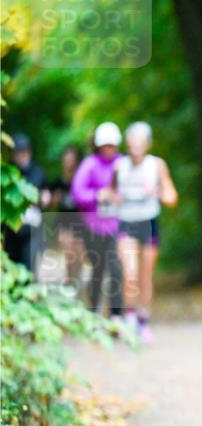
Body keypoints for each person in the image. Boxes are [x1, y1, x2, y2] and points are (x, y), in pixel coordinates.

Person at [113, 121, 178, 342]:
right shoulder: (119, 166)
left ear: (148, 144)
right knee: (129, 273)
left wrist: (157, 191)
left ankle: (143, 320)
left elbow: (171, 198)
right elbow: (109, 194)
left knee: (145, 276)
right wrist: (114, 198)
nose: (135, 146)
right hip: (127, 223)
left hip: (149, 222)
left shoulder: (157, 165)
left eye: (140, 141)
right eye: (132, 141)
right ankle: (129, 317)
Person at [72, 122, 125, 319]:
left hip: (117, 225)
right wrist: (98, 195)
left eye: (112, 145)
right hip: (93, 226)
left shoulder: (122, 163)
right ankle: (93, 311)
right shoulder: (90, 164)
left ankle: (116, 315)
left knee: (116, 269)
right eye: (106, 146)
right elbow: (77, 193)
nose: (109, 150)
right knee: (98, 268)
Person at [2, 133, 47, 271]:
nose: (22, 155)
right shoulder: (6, 172)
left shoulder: (38, 172)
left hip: (32, 229)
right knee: (11, 267)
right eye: (19, 152)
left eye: (25, 151)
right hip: (10, 230)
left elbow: (45, 197)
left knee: (29, 268)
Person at [44, 145, 87, 289]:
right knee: (69, 253)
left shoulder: (82, 180)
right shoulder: (58, 182)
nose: (68, 162)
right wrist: (52, 199)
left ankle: (77, 279)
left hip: (81, 221)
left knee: (80, 255)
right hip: (64, 221)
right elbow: (47, 201)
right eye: (66, 159)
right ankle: (70, 281)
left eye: (71, 159)